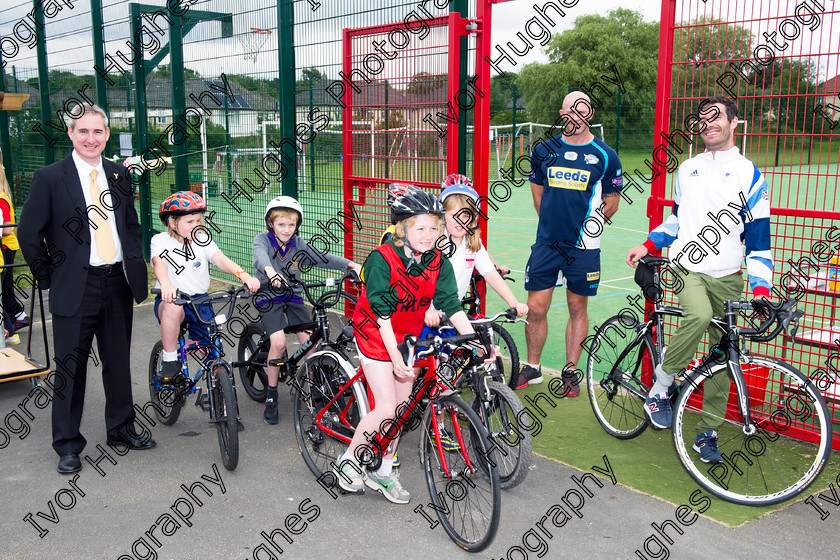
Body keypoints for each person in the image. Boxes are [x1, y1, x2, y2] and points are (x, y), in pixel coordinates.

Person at [626, 95, 772, 463]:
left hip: (728, 276)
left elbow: (758, 240)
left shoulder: (750, 175)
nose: (709, 124)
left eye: (716, 117)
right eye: (703, 119)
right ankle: (661, 386)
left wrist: (760, 287)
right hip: (687, 267)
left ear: (734, 123)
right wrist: (649, 243)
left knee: (724, 356)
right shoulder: (686, 168)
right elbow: (677, 222)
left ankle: (707, 433)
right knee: (699, 315)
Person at [18, 103, 152, 474]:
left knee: (117, 363)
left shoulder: (119, 175)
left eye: (97, 132)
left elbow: (131, 226)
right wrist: (48, 276)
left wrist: (133, 261)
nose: (90, 139)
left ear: (107, 135)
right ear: (71, 135)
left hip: (116, 283)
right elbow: (28, 234)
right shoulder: (49, 177)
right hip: (74, 287)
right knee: (70, 371)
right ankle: (67, 445)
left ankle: (122, 429)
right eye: (83, 132)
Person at [334, 184, 481, 504]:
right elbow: (382, 314)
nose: (429, 234)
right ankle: (348, 462)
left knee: (400, 411)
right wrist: (394, 356)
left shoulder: (437, 260)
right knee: (386, 407)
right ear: (401, 228)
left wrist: (473, 339)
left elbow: (451, 304)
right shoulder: (381, 259)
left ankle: (384, 470)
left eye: (434, 226)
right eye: (421, 227)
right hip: (375, 333)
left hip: (408, 335)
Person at [521, 91, 623, 395]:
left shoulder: (606, 155)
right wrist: (554, 227)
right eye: (569, 111)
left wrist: (588, 231)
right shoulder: (544, 151)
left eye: (581, 111)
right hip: (547, 244)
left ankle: (570, 370)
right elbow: (538, 194)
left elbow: (612, 201)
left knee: (577, 308)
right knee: (535, 308)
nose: (575, 117)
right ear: (562, 113)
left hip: (584, 249)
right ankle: (533, 368)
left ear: (589, 113)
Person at [252, 195, 361, 425]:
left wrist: (350, 264)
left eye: (291, 225)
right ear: (271, 223)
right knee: (279, 342)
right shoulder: (261, 240)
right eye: (281, 224)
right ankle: (271, 394)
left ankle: (315, 390)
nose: (287, 229)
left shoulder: (298, 244)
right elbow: (261, 258)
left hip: (292, 294)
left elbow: (321, 258)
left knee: (311, 343)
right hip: (267, 293)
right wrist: (271, 273)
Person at [151, 190, 261, 419]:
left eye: (198, 220)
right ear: (172, 222)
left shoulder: (202, 238)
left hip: (201, 302)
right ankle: (170, 360)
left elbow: (220, 259)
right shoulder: (159, 240)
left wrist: (244, 275)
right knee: (173, 306)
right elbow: (159, 265)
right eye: (189, 221)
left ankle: (224, 410)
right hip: (173, 300)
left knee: (215, 354)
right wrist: (166, 285)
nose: (196, 225)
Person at [0, 157, 28, 344]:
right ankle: (15, 318)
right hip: (6, 246)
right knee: (5, 286)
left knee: (5, 287)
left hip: (6, 246)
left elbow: (7, 229)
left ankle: (14, 320)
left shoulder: (2, 198)